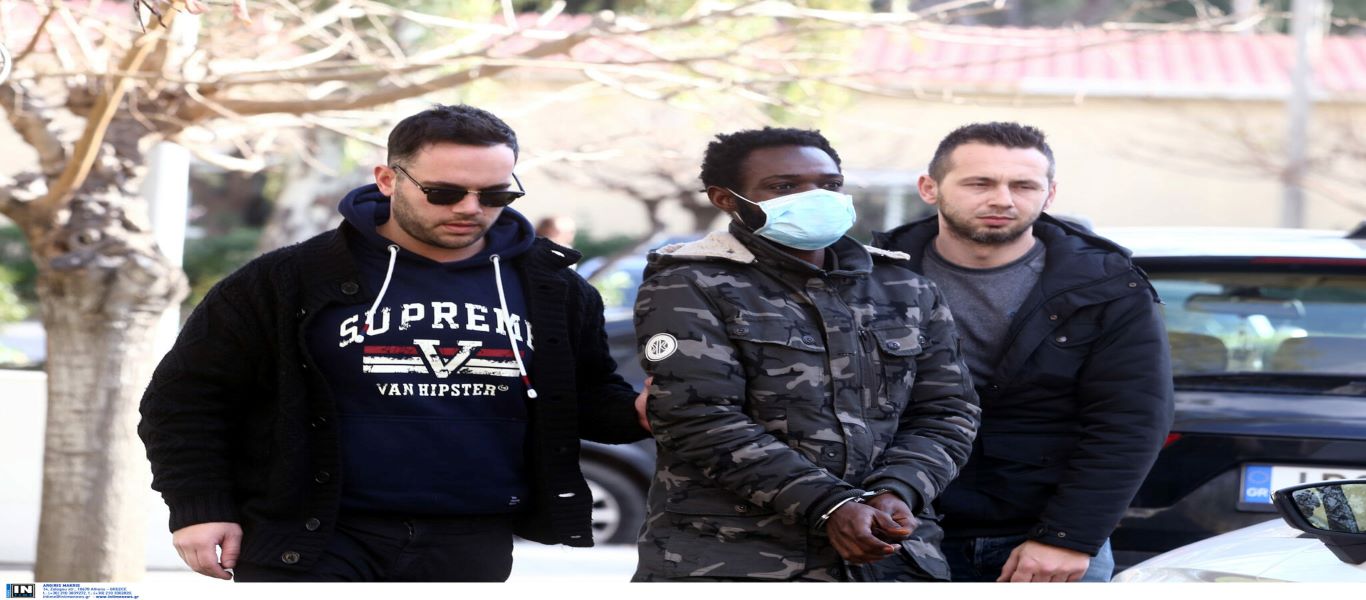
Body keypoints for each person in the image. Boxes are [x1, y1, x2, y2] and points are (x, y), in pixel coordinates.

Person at [138, 104, 650, 582]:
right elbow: (185, 398)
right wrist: (199, 508)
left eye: (495, 195)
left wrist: (640, 412)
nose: (471, 208)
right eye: (444, 192)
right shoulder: (288, 279)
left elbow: (583, 397)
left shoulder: (555, 289)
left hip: (471, 539)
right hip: (315, 537)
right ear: (387, 179)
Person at [630, 127, 981, 582]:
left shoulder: (904, 287)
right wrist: (830, 505)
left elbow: (948, 410)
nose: (815, 197)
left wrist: (899, 489)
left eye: (830, 184)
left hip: (892, 556)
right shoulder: (690, 284)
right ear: (726, 199)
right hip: (735, 559)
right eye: (784, 186)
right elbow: (696, 416)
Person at [873, 122, 1174, 583]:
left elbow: (1131, 421)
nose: (1003, 199)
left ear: (1049, 194)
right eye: (980, 183)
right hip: (896, 529)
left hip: (1045, 535)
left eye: (1023, 185)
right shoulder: (871, 278)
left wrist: (1068, 537)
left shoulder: (1107, 286)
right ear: (929, 188)